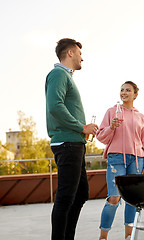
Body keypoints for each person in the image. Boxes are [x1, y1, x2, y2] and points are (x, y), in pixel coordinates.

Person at [45, 38, 98, 240]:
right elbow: (55, 106)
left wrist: (83, 131)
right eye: (79, 53)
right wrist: (81, 127)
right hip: (67, 144)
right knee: (66, 198)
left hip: (74, 143)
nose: (81, 57)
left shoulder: (66, 76)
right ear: (70, 53)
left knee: (80, 193)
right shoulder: (58, 74)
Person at [96, 81, 144, 240]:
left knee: (133, 200)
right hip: (116, 158)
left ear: (135, 94)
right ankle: (103, 237)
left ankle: (129, 236)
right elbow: (100, 136)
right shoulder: (111, 112)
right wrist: (111, 127)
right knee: (114, 197)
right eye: (122, 90)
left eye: (128, 90)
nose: (124, 92)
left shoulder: (141, 117)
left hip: (137, 160)